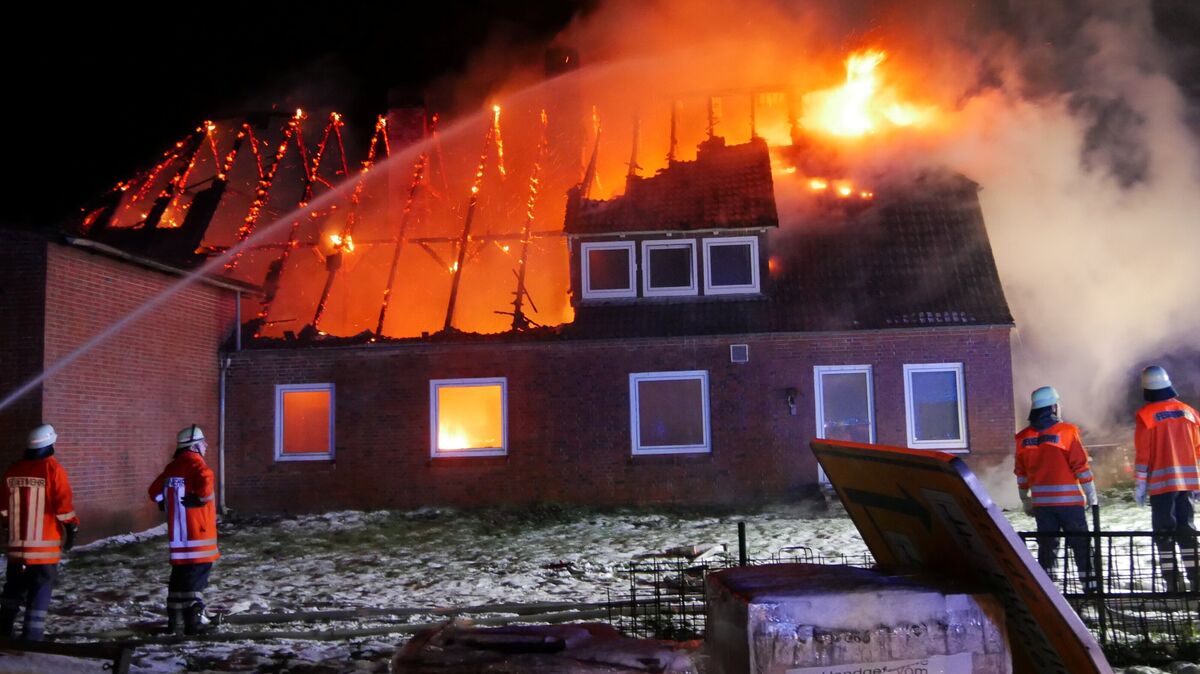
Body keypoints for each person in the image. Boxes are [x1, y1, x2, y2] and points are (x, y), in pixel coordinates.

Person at [1015, 386, 1098, 592]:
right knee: (1081, 546)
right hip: (1070, 504)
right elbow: (1080, 466)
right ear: (1053, 407)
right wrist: (1091, 494)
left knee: (1048, 547)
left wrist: (1025, 499)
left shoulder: (1023, 437)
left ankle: (1050, 592)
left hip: (1042, 505)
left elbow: (1021, 473)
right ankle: (1091, 590)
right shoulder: (1067, 432)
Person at [0, 424, 79, 640]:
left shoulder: (13, 470)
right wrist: (71, 527)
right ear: (49, 443)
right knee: (39, 590)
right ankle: (32, 636)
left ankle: (4, 629)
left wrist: (8, 526)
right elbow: (63, 507)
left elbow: (3, 507)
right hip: (44, 550)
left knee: (13, 589)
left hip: (17, 547)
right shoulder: (53, 469)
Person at [1134, 365, 1200, 593]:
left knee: (1164, 533)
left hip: (1162, 487)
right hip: (1189, 484)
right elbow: (1198, 447)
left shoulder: (1146, 416)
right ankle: (1196, 580)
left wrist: (1141, 482)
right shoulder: (1189, 412)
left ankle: (1173, 583)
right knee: (1187, 529)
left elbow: (1144, 453)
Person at [148, 425, 219, 635]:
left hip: (178, 540)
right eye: (203, 441)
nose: (206, 445)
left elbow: (154, 493)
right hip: (199, 536)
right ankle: (195, 621)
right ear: (194, 445)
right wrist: (201, 499)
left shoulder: (172, 468)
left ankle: (176, 622)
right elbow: (206, 482)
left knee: (178, 582)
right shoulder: (197, 464)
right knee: (195, 582)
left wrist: (165, 500)